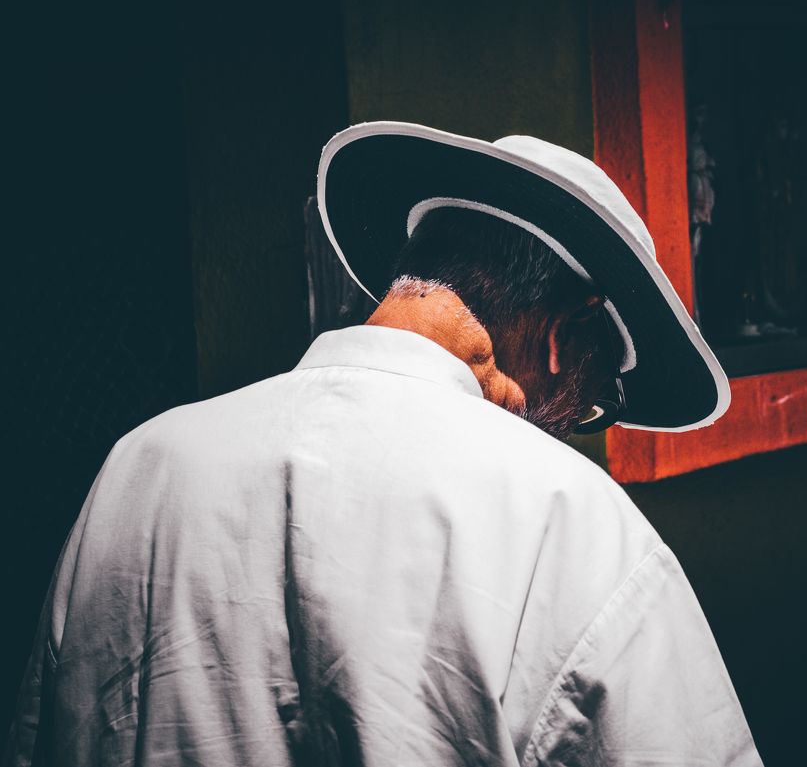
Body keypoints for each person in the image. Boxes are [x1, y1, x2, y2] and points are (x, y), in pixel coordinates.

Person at [5, 122, 763, 766]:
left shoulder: (139, 466)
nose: (572, 426)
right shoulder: (571, 521)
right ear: (565, 336)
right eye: (591, 405)